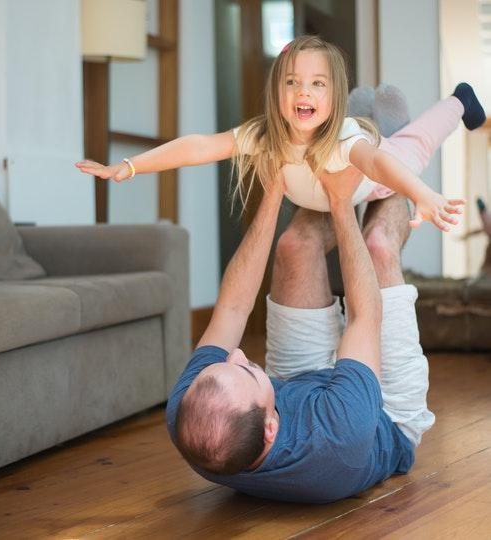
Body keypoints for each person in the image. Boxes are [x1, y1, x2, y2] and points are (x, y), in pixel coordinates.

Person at [165, 163, 438, 503]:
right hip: (385, 416)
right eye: (248, 369)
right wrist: (341, 205)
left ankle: (341, 159)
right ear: (270, 429)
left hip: (296, 386)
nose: (237, 354)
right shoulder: (340, 437)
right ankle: (393, 153)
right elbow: (364, 317)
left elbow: (232, 309)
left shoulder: (191, 418)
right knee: (377, 246)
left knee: (294, 245)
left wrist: (273, 191)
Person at [75, 35, 485, 232]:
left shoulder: (342, 139)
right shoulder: (265, 134)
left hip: (370, 174)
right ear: (276, 91)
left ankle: (460, 101)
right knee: (379, 136)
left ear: (331, 94)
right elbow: (201, 145)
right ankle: (370, 114)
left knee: (409, 145)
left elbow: (378, 164)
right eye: (292, 82)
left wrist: (423, 195)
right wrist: (128, 166)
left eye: (317, 84)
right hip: (330, 176)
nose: (303, 91)